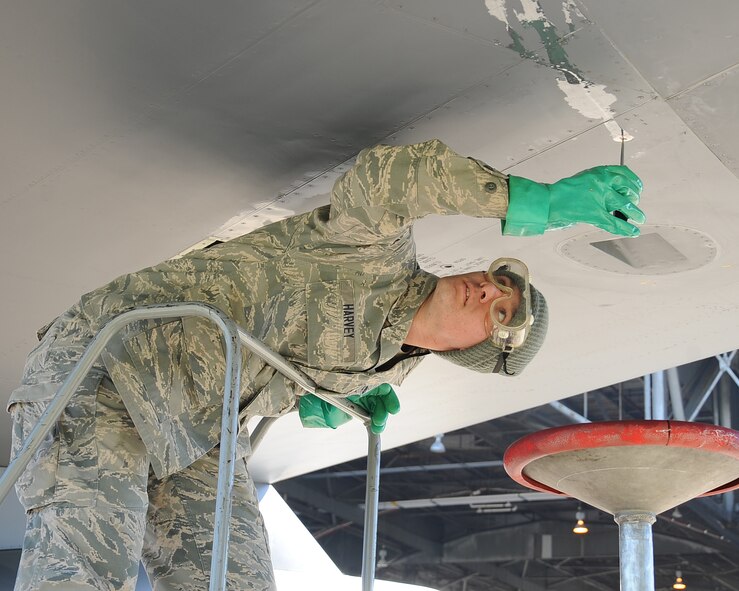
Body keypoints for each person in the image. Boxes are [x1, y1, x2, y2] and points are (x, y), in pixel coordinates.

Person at [7, 139, 644, 590]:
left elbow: (287, 381)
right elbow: (391, 177)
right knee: (88, 567)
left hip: (197, 423)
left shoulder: (386, 372)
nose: (488, 289)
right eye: (499, 281)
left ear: (478, 354)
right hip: (114, 365)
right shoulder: (374, 255)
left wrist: (314, 399)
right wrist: (540, 202)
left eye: (502, 312)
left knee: (237, 580)